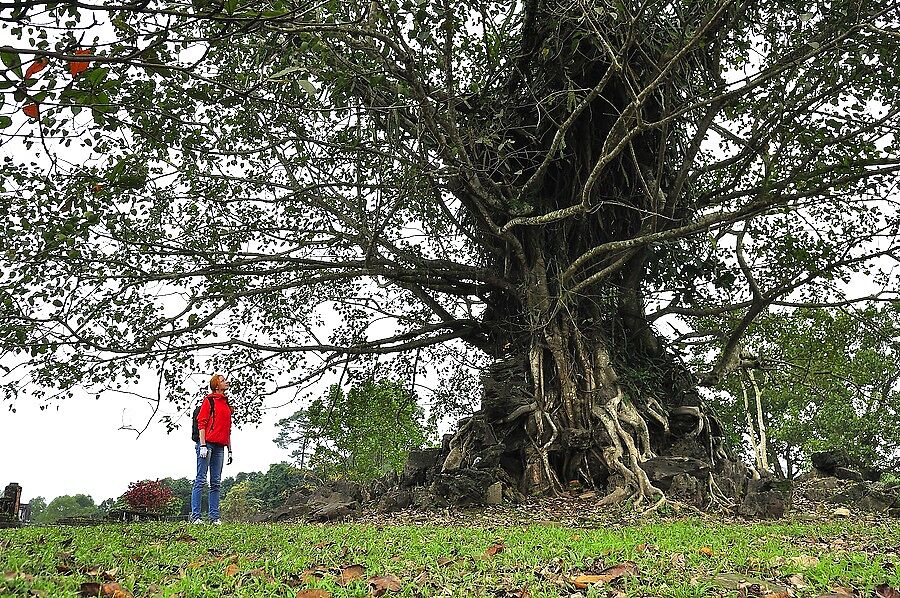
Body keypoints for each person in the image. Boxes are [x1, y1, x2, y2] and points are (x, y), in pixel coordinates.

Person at [191, 373, 233, 524]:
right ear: (216, 386)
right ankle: (196, 517)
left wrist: (230, 449)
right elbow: (201, 423)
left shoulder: (227, 404)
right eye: (223, 381)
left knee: (216, 482)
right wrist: (202, 445)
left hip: (220, 447)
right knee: (201, 479)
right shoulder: (209, 401)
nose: (226, 382)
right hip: (207, 444)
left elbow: (227, 429)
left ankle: (214, 517)